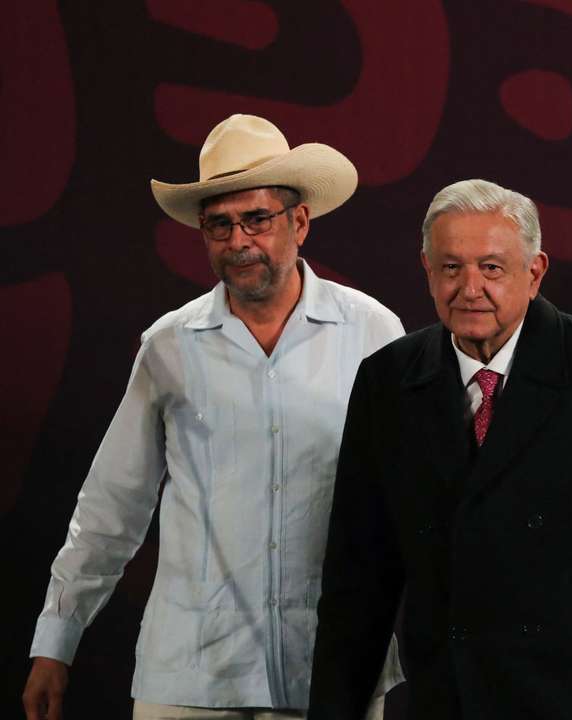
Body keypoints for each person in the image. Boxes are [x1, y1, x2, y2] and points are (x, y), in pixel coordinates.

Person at [22, 114, 404, 720]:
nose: (238, 241)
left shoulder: (375, 334)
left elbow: (409, 503)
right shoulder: (169, 346)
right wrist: (56, 642)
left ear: (299, 222)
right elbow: (111, 506)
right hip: (190, 675)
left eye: (257, 219)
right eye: (219, 225)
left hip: (329, 671)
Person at [307, 179, 572, 719]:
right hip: (447, 697)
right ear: (426, 270)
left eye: (491, 267)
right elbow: (358, 574)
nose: (470, 288)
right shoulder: (388, 381)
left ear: (534, 274)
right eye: (451, 267)